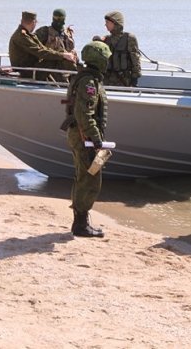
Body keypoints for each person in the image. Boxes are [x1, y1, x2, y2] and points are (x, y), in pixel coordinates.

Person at [61, 40, 111, 238]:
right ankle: (80, 225)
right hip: (84, 137)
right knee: (90, 179)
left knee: (83, 176)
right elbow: (85, 114)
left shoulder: (84, 78)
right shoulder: (89, 82)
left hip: (80, 135)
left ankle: (80, 222)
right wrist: (97, 140)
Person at [8, 11, 77, 80]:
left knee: (59, 55)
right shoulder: (22, 36)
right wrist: (62, 55)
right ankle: (78, 78)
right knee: (56, 58)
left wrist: (63, 54)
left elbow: (43, 48)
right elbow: (40, 52)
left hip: (31, 68)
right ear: (34, 22)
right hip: (26, 71)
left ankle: (77, 77)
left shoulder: (28, 35)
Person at [98, 11, 141, 87]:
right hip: (107, 81)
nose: (105, 25)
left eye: (107, 22)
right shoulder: (106, 39)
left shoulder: (129, 38)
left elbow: (135, 60)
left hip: (124, 81)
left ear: (115, 23)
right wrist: (96, 41)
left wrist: (135, 78)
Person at [34, 8, 78, 81]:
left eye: (60, 18)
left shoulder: (67, 33)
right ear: (53, 18)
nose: (58, 20)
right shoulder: (44, 32)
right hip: (50, 72)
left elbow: (72, 51)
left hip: (67, 72)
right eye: (56, 18)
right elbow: (35, 50)